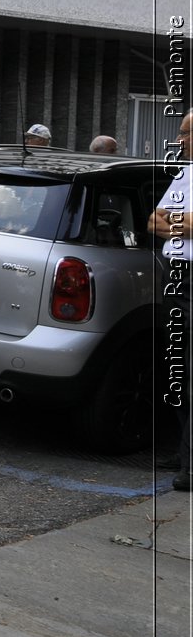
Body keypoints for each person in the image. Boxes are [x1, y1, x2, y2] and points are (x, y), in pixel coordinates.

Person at [148, 109, 193, 493]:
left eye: (185, 133)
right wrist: (186, 221)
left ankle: (189, 467)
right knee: (176, 368)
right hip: (175, 277)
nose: (179, 140)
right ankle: (183, 452)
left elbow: (166, 221)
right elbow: (151, 221)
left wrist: (172, 221)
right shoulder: (186, 173)